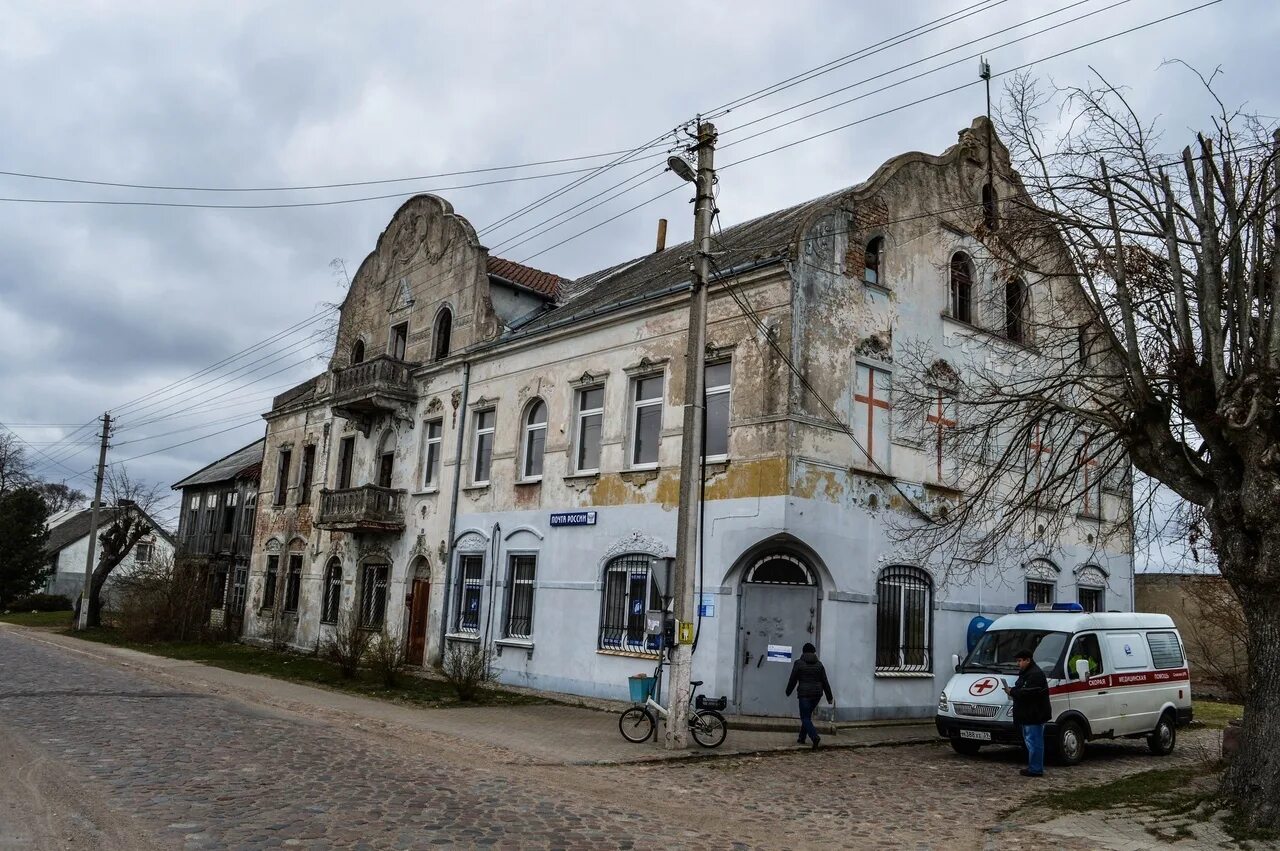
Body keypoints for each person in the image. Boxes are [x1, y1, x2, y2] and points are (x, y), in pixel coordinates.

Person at [1003, 648, 1052, 777]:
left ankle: (1035, 769)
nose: (1018, 664)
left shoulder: (1034, 674)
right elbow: (1023, 689)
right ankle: (1033, 767)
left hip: (1034, 715)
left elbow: (1028, 693)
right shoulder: (1026, 673)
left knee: (1035, 742)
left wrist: (1012, 692)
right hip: (1027, 714)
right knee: (1031, 742)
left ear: (1027, 660)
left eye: (1020, 661)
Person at [785, 642, 833, 749]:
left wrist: (788, 691)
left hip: (804, 694)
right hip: (817, 695)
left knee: (805, 717)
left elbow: (793, 679)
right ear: (814, 652)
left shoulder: (798, 663)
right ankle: (801, 738)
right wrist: (829, 697)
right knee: (807, 716)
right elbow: (825, 681)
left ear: (803, 652)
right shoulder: (819, 665)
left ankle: (814, 737)